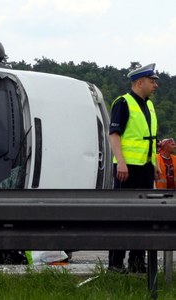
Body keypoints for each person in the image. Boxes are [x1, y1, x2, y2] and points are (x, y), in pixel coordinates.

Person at [108, 63, 160, 273]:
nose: (155, 85)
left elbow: (149, 138)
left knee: (143, 217)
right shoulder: (123, 103)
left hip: (145, 168)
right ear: (140, 82)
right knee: (122, 217)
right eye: (152, 81)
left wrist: (154, 163)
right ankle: (116, 265)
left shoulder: (148, 105)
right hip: (126, 169)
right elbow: (114, 135)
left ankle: (137, 264)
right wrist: (120, 161)